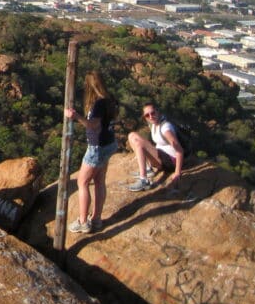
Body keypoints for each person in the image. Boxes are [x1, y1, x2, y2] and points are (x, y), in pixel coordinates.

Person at [64, 72, 118, 234]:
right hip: (109, 143)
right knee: (100, 181)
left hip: (97, 147)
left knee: (82, 182)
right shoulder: (111, 100)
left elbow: (92, 125)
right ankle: (97, 219)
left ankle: (83, 221)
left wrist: (75, 116)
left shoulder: (99, 104)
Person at [127, 102, 183, 192]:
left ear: (158, 112)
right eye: (147, 115)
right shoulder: (154, 125)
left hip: (171, 162)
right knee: (132, 135)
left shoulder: (166, 128)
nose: (150, 116)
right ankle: (148, 169)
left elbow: (179, 150)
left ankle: (143, 180)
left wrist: (177, 172)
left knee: (139, 144)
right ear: (144, 117)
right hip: (161, 157)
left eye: (153, 113)